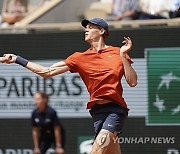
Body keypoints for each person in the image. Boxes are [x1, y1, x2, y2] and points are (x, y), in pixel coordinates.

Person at [1, 18, 137, 154]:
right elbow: (46, 71)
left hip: (115, 111)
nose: (86, 29)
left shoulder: (118, 53)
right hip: (97, 113)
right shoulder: (79, 58)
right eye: (86, 27)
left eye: (90, 27)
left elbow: (132, 82)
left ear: (101, 31)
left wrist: (123, 56)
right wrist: (18, 59)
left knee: (96, 151)